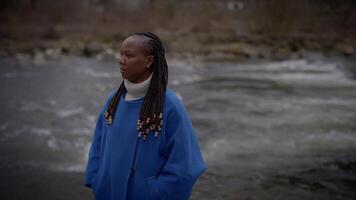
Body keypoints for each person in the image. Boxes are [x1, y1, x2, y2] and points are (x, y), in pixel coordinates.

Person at [83, 32, 207, 200]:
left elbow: (186, 165)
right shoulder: (113, 101)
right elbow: (97, 144)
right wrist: (96, 179)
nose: (121, 60)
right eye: (121, 54)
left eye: (129, 55)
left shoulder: (169, 105)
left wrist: (155, 192)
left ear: (149, 61)